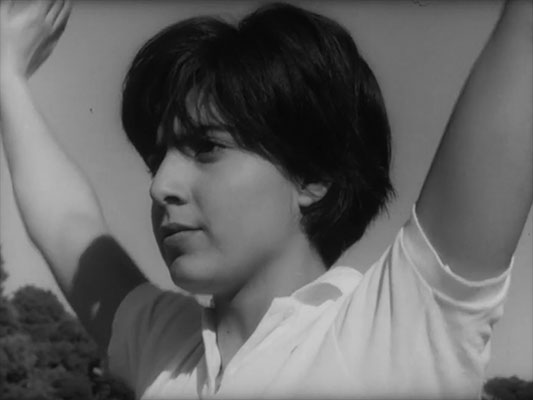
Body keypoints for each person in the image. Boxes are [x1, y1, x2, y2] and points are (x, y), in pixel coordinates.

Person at [0, 0, 531, 399]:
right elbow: (68, 224)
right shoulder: (165, 347)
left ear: (312, 175)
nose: (160, 185)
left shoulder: (400, 330)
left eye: (206, 147)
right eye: (157, 158)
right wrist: (6, 72)